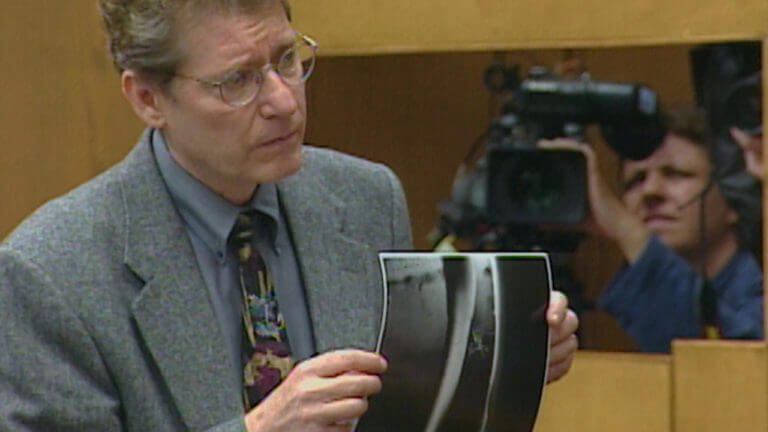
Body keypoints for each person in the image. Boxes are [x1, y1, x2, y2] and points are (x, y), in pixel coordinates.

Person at [0, 1, 578, 431]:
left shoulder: (367, 197)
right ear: (148, 99)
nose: (283, 101)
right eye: (237, 81)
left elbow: (411, 407)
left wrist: (508, 359)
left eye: (286, 59)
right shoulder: (50, 272)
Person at [541, 107, 762, 353]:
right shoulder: (636, 289)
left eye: (675, 174)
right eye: (635, 181)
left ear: (735, 200)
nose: (650, 192)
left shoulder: (759, 288)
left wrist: (627, 230)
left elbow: (730, 363)